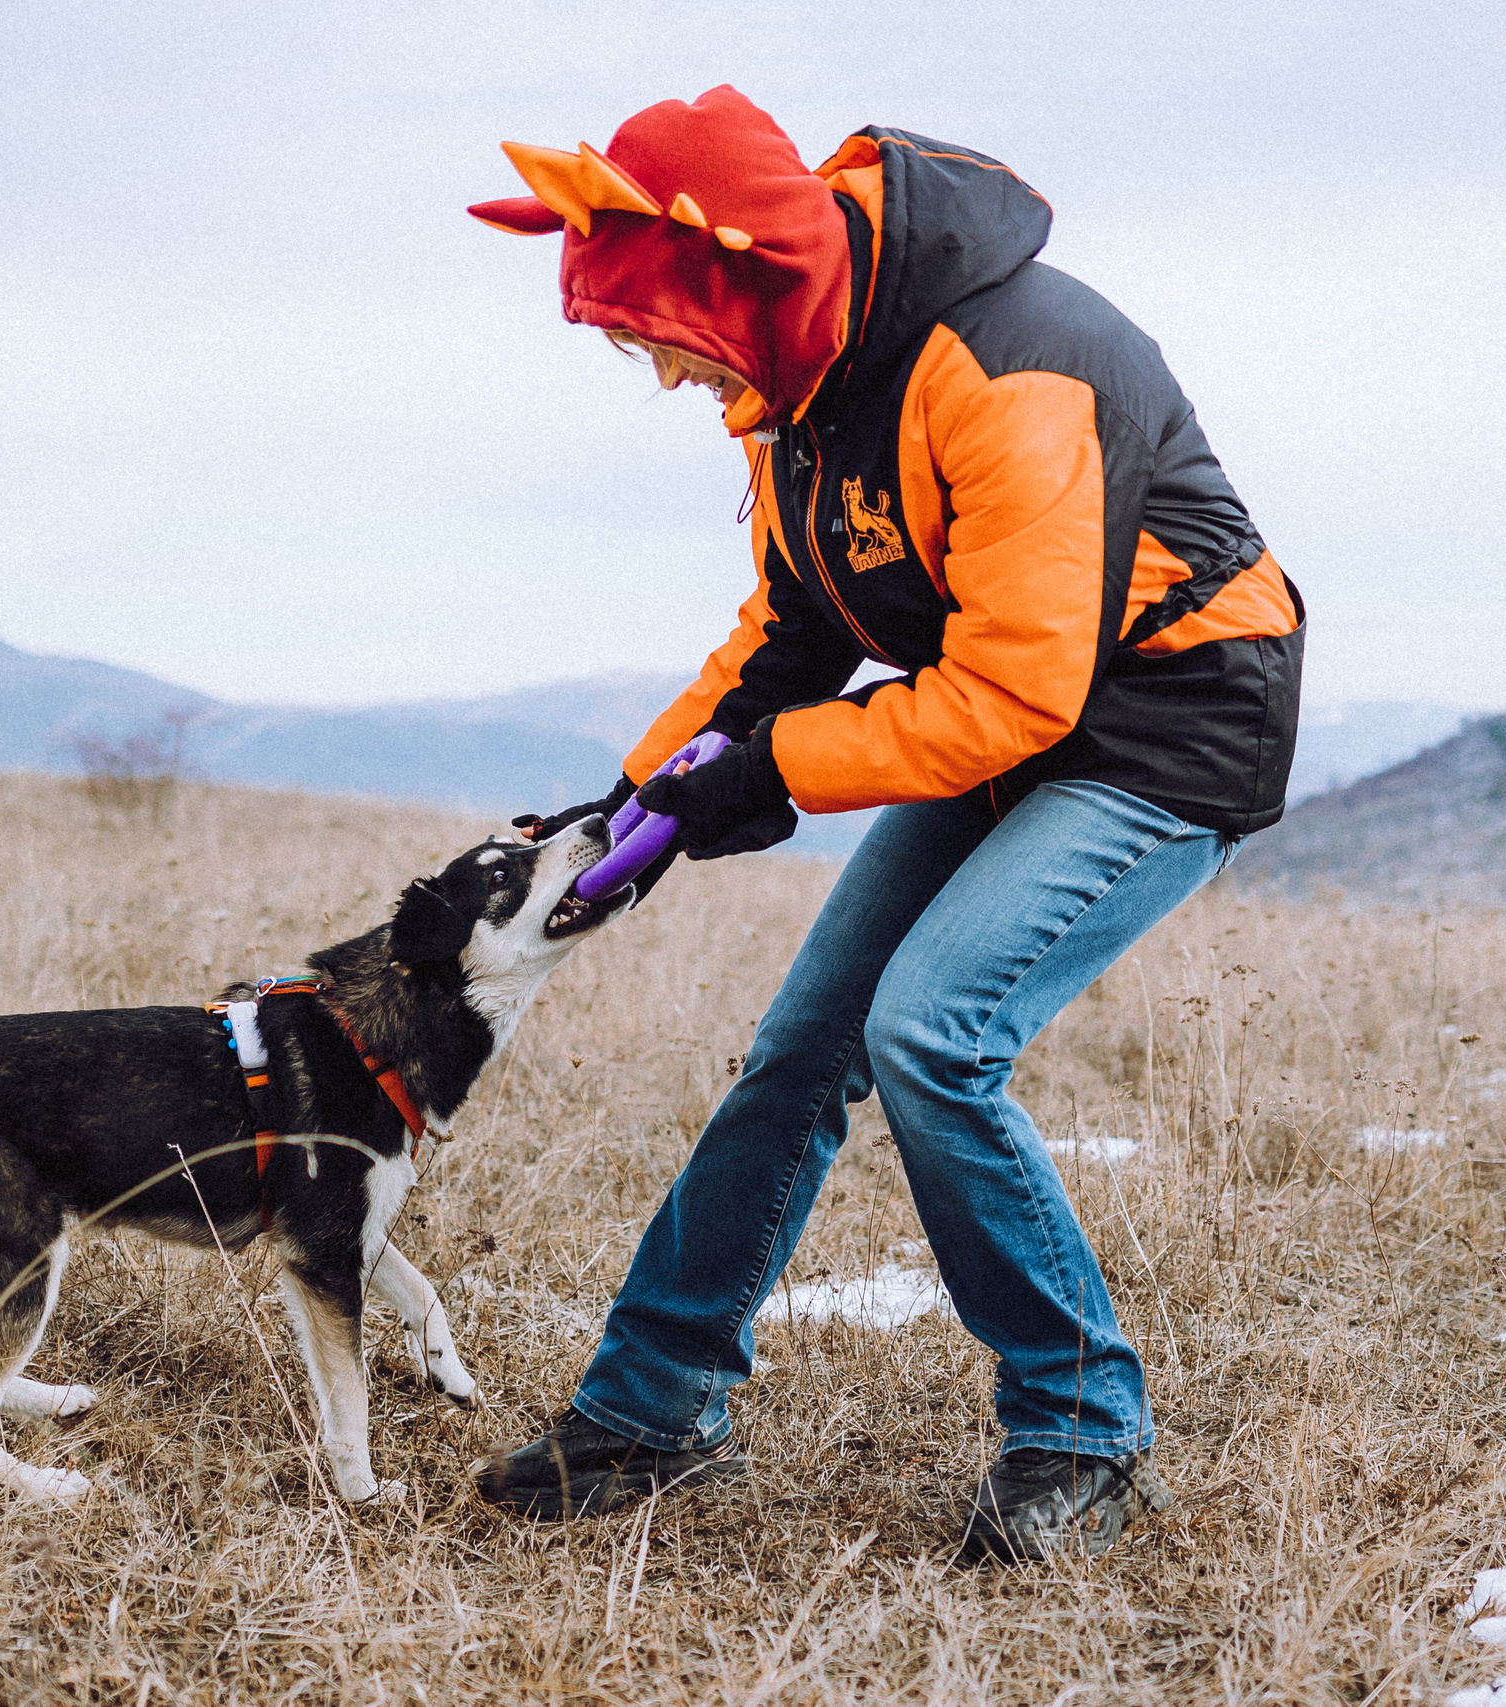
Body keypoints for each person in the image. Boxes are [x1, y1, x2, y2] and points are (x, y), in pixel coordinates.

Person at [464, 86, 1302, 1561]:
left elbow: (1019, 696)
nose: (657, 380)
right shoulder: (794, 377)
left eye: (648, 341)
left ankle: (1081, 1431)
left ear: (731, 280)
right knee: (803, 1049)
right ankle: (652, 1411)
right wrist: (640, 797)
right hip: (996, 703)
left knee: (933, 1032)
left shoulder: (1015, 367)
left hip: (1167, 720)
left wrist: (770, 773)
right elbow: (791, 629)